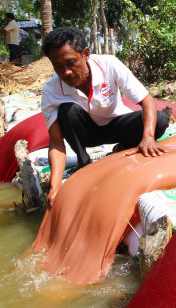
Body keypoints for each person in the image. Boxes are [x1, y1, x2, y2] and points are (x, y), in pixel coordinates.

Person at [40, 27, 169, 208]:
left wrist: (147, 138)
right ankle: (83, 161)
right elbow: (56, 142)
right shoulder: (51, 90)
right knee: (67, 111)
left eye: (71, 63)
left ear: (85, 54)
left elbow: (147, 101)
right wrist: (55, 186)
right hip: (86, 134)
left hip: (115, 125)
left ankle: (122, 149)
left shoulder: (109, 65)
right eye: (58, 66)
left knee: (161, 120)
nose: (66, 72)